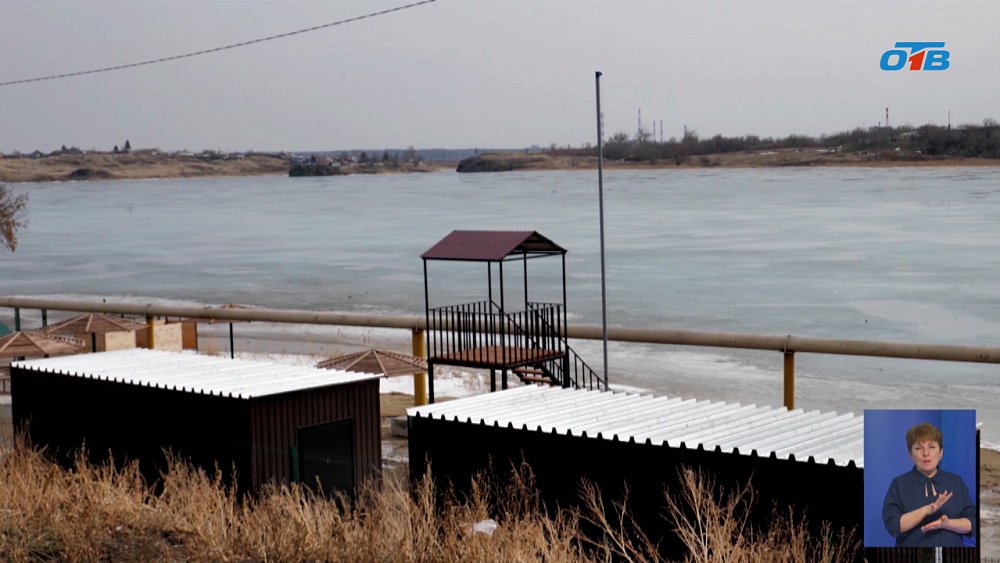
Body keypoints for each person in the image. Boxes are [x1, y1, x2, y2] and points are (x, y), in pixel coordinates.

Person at [881, 422, 976, 547]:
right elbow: (893, 525)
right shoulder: (898, 484)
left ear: (940, 452)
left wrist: (947, 524)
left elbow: (973, 522)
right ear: (910, 454)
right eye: (919, 448)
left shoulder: (955, 482)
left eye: (932, 447)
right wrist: (927, 510)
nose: (926, 453)